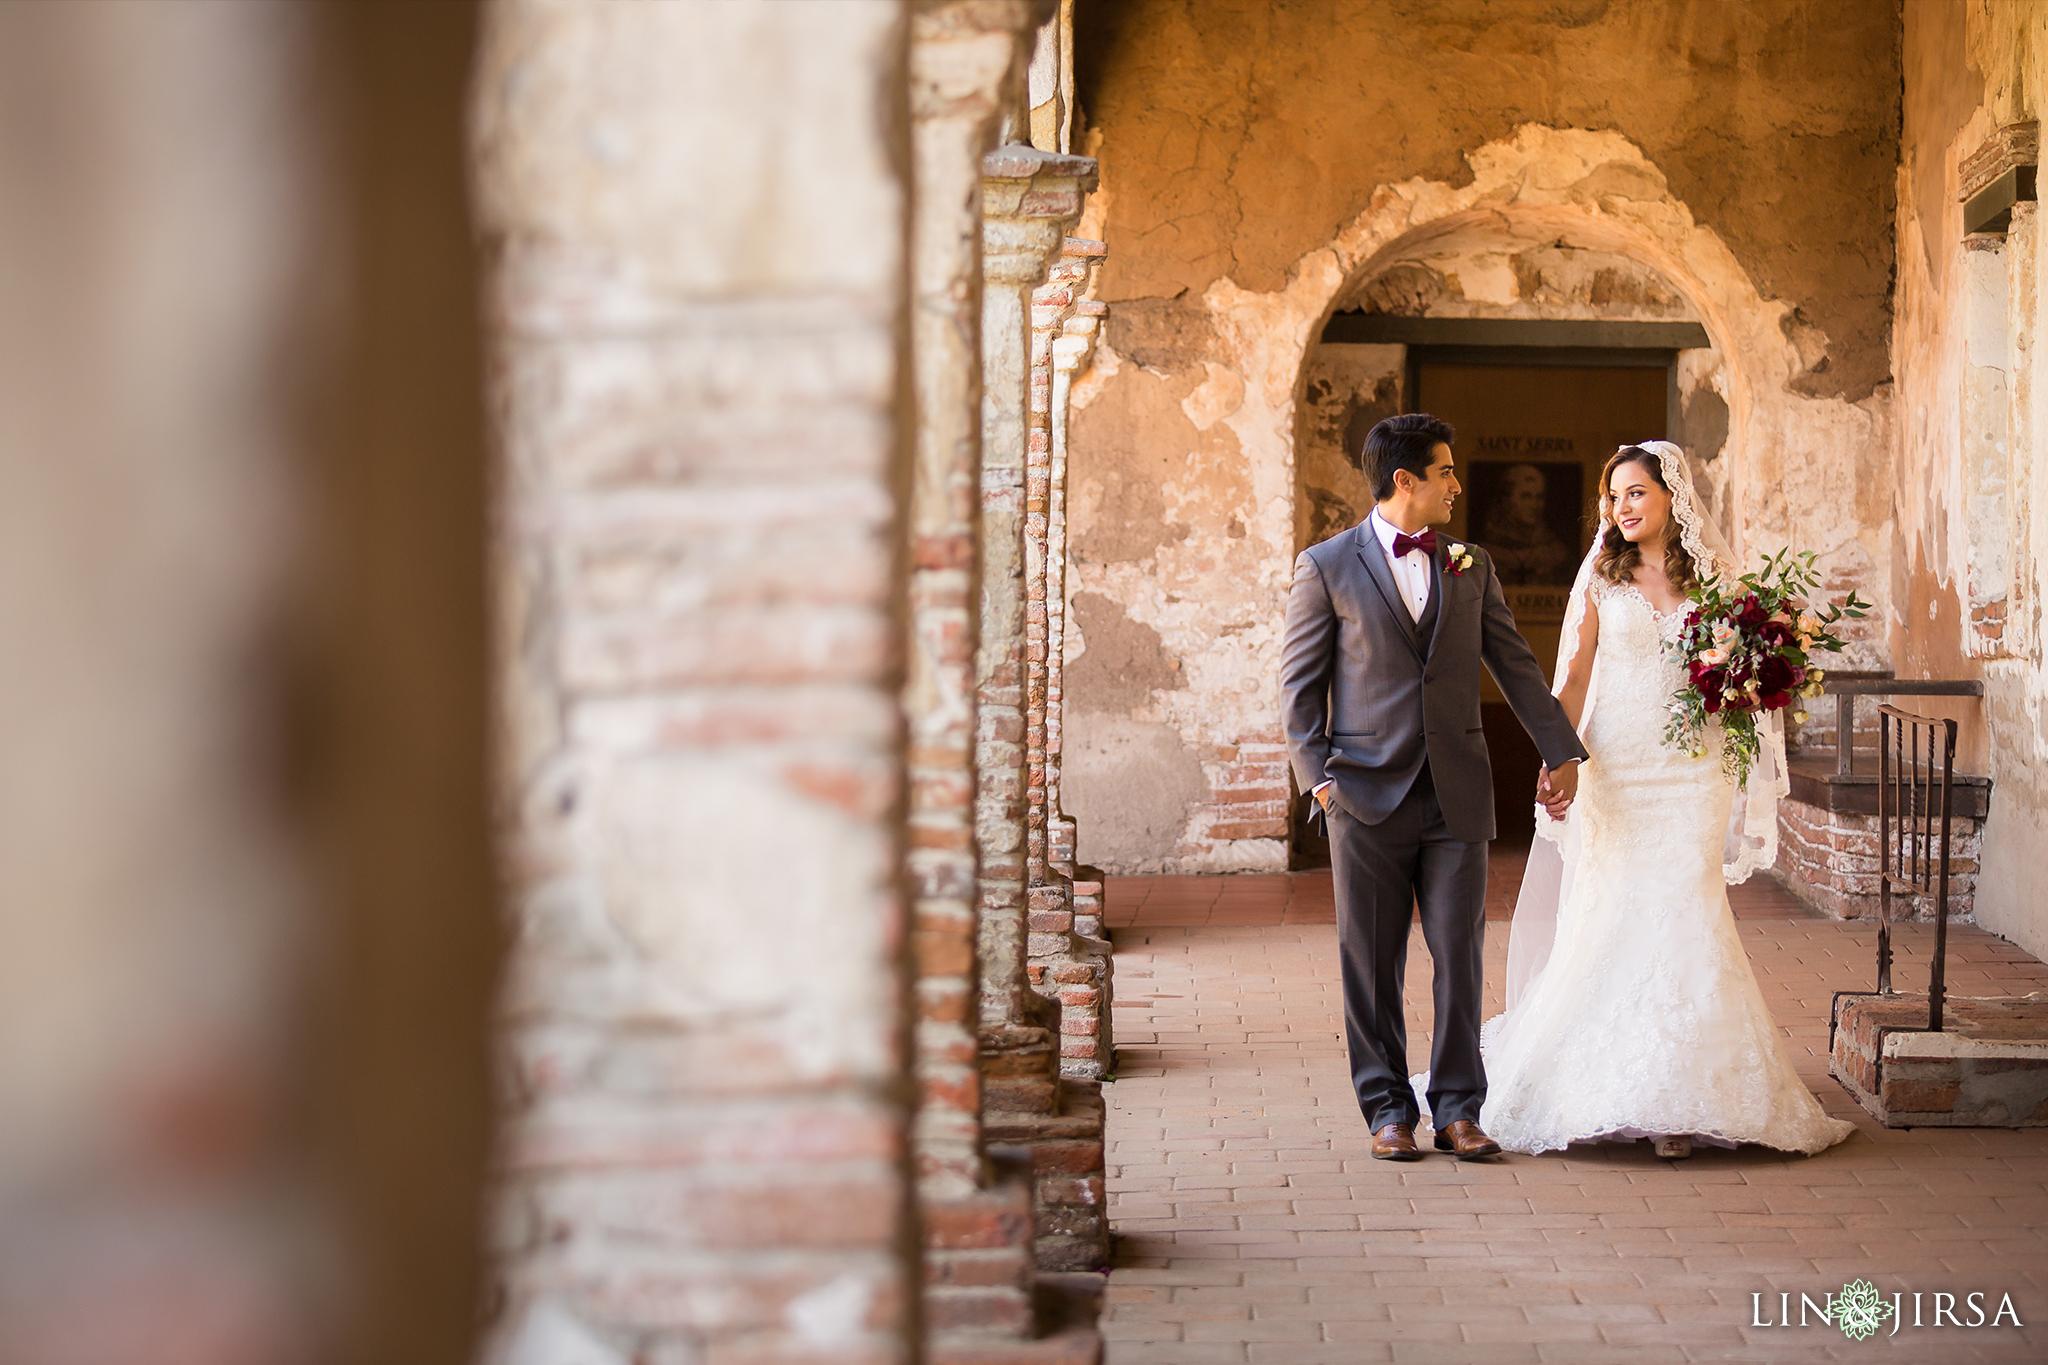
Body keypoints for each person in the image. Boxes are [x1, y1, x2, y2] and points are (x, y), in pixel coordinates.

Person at [1472, 442, 1856, 1159]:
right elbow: (1577, 676)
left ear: (1671, 498)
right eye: (1613, 496)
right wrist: (1562, 755)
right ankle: (1607, 1082)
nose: (1621, 507)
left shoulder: (1715, 585)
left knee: (1686, 904)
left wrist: (1754, 677)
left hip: (1693, 770)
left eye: (1635, 493)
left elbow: (1748, 672)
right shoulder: (1598, 576)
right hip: (1618, 764)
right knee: (1613, 909)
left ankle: (1681, 1097)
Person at [1280, 414, 1589, 1162]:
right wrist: (1320, 785)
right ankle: (1387, 1108)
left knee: (1461, 954)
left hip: (1457, 792)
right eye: (1446, 471)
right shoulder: (1324, 566)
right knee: (1371, 961)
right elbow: (1299, 689)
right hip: (1362, 795)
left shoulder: (1470, 564)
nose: (1457, 484)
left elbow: (1515, 663)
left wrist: (1561, 750)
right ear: (1405, 481)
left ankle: (1458, 1108)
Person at [1479, 463, 1581, 586]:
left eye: (1539, 497)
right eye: (1526, 496)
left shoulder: (1558, 554)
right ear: (1506, 501)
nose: (1534, 505)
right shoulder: (1485, 552)